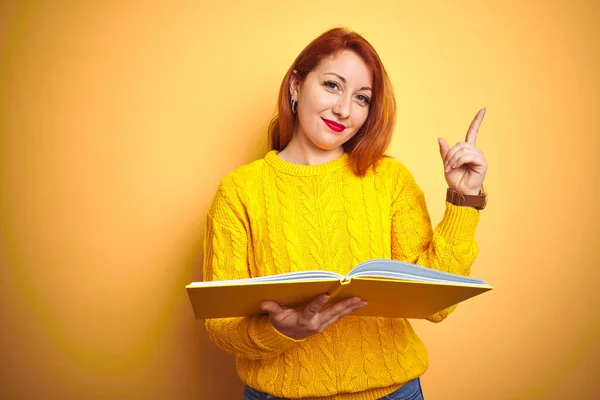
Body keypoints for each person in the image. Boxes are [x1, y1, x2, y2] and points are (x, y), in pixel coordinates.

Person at [202, 27, 488, 400]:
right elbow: (221, 324)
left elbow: (438, 306)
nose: (344, 109)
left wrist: (463, 199)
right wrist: (284, 330)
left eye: (362, 98)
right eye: (332, 85)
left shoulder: (390, 179)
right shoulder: (239, 191)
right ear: (295, 85)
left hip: (393, 393)